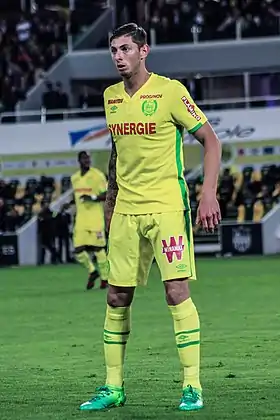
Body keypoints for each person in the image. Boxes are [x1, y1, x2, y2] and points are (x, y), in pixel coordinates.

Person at [79, 23, 221, 412]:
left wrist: (207, 193)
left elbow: (211, 140)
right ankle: (113, 387)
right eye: (113, 50)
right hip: (126, 209)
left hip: (167, 207)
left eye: (126, 48)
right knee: (116, 295)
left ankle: (192, 386)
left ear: (144, 51)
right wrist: (110, 203)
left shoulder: (171, 91)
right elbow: (116, 155)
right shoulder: (110, 98)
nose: (118, 56)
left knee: (176, 291)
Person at [71, 151, 109, 289]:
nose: (87, 160)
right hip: (81, 219)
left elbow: (106, 194)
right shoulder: (75, 178)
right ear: (79, 160)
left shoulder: (97, 176)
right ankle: (93, 271)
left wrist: (92, 198)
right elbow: (77, 196)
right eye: (84, 158)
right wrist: (69, 203)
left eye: (88, 158)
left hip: (95, 218)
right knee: (78, 250)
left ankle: (105, 279)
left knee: (98, 249)